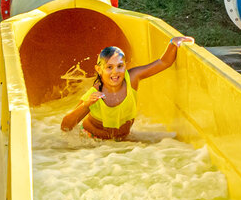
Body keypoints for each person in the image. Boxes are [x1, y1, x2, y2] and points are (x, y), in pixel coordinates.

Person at [61, 36, 195, 139]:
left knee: (164, 142)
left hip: (122, 141)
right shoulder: (94, 94)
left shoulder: (132, 78)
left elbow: (163, 62)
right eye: (109, 67)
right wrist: (86, 105)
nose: (115, 72)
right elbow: (66, 126)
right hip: (92, 142)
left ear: (126, 65)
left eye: (120, 66)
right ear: (99, 69)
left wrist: (173, 42)